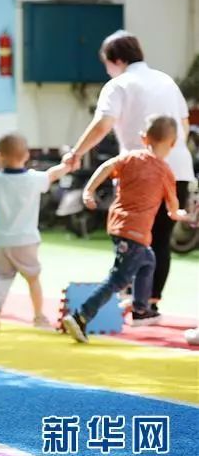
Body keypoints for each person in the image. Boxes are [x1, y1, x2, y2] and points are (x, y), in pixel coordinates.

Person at [63, 31, 194, 311]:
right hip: (178, 167)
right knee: (160, 239)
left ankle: (128, 298)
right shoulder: (166, 81)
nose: (107, 70)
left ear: (117, 60)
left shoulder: (119, 84)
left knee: (132, 236)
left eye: (107, 64)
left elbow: (102, 124)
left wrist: (76, 153)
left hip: (140, 173)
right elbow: (182, 125)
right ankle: (148, 304)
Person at [62, 115, 190, 343]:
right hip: (136, 232)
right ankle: (82, 315)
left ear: (143, 138)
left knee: (148, 260)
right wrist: (184, 216)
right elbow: (172, 211)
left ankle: (140, 309)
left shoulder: (130, 157)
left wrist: (88, 191)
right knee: (118, 279)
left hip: (118, 226)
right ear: (172, 144)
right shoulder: (166, 172)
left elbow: (106, 166)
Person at [0, 133, 68, 330]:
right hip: (26, 240)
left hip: (1, 241)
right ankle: (38, 317)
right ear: (26, 155)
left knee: (0, 276)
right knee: (33, 278)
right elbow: (53, 175)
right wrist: (68, 164)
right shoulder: (33, 179)